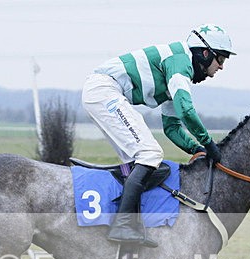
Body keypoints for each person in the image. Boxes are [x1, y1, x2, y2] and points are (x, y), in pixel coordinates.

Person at [82, 23, 235, 247]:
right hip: (104, 90)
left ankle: (122, 217)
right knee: (150, 153)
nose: (221, 67)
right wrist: (208, 143)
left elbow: (171, 127)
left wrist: (197, 150)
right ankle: (123, 225)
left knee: (141, 164)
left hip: (103, 93)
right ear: (205, 53)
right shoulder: (180, 63)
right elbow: (186, 110)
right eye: (220, 59)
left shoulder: (177, 72)